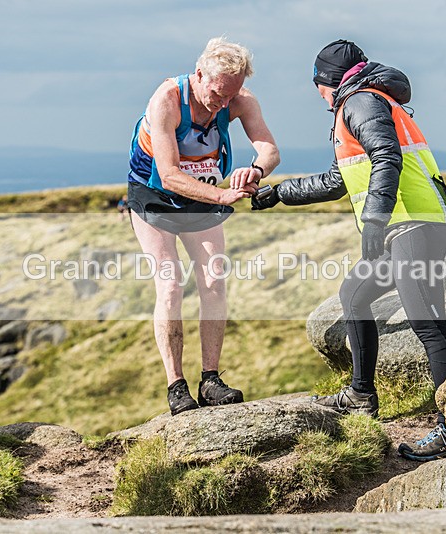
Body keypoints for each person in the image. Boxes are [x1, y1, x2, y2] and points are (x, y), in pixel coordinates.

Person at [252, 40, 446, 462]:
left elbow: (386, 157)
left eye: (317, 85)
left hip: (412, 224)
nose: (318, 96)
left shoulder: (360, 102)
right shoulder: (363, 102)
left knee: (427, 325)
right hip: (409, 224)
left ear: (328, 82)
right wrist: (279, 195)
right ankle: (361, 395)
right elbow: (337, 180)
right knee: (354, 296)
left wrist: (375, 221)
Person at [127, 37, 280, 416]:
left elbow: (270, 150)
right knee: (171, 284)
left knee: (213, 281)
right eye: (217, 94)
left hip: (204, 194)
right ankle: (176, 385)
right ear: (199, 75)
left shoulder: (240, 99)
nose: (223, 104)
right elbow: (169, 174)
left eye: (231, 95)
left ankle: (210, 380)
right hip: (155, 196)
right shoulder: (166, 100)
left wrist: (255, 170)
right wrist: (224, 197)